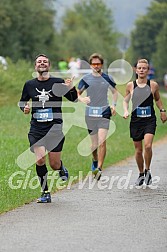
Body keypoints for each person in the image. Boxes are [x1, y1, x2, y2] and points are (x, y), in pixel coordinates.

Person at [19, 54, 78, 203]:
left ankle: (60, 168)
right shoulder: (29, 85)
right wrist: (24, 108)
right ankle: (45, 192)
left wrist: (71, 88)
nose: (42, 63)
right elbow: (22, 102)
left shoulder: (58, 82)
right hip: (36, 127)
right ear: (35, 66)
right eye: (39, 62)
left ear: (49, 66)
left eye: (45, 61)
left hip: (54, 127)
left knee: (54, 164)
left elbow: (73, 99)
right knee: (39, 160)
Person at [123, 59, 167, 186]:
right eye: (139, 68)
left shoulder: (153, 85)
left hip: (149, 120)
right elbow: (125, 101)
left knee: (147, 146)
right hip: (136, 121)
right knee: (138, 150)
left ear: (148, 71)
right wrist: (125, 110)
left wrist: (162, 110)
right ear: (136, 70)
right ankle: (141, 174)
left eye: (144, 68)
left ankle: (148, 171)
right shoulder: (130, 85)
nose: (141, 70)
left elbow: (158, 99)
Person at [77, 53, 118, 180]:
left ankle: (99, 168)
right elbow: (77, 94)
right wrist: (82, 99)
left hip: (104, 111)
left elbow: (115, 92)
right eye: (94, 64)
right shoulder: (86, 79)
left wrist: (114, 105)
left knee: (102, 141)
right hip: (90, 113)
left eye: (98, 64)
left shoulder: (107, 78)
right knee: (93, 145)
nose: (96, 66)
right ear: (90, 65)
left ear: (102, 65)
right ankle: (95, 161)